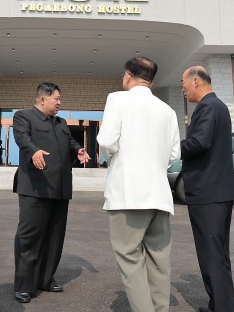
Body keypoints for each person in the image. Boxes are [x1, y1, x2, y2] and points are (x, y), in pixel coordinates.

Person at [97, 57, 181, 312]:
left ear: (127, 75)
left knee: (130, 259)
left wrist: (112, 157)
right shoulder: (167, 110)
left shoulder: (118, 99)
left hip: (127, 193)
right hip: (159, 196)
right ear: (152, 81)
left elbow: (107, 140)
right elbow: (174, 154)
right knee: (159, 262)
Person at [11, 82, 90, 303]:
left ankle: (45, 278)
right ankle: (24, 285)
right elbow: (22, 138)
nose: (59, 103)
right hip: (35, 187)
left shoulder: (61, 122)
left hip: (60, 188)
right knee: (29, 237)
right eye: (56, 98)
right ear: (42, 99)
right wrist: (34, 150)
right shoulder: (24, 116)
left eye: (60, 99)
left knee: (55, 238)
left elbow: (70, 141)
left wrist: (78, 150)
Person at [180, 66, 234, 312]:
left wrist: (169, 147)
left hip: (208, 193)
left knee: (211, 255)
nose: (182, 89)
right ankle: (219, 305)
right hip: (218, 192)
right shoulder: (220, 107)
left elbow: (198, 142)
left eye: (183, 84)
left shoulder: (207, 107)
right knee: (218, 254)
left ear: (195, 82)